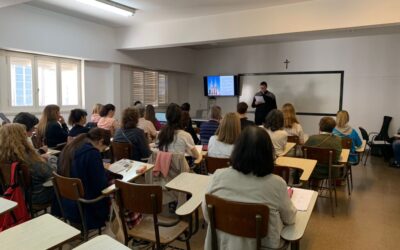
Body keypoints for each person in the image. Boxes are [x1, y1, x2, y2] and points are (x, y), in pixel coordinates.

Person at [202, 126, 296, 249]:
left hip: (224, 244)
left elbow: (206, 214)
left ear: (237, 150)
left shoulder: (218, 175)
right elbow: (290, 219)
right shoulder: (277, 184)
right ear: (268, 153)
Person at [57, 128, 110, 230]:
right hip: (85, 205)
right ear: (101, 141)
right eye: (103, 149)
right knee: (117, 187)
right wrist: (105, 173)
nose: (101, 152)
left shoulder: (71, 147)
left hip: (66, 202)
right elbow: (100, 185)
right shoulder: (92, 153)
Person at [0, 123, 54, 205]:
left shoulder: (4, 159)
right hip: (36, 196)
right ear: (22, 137)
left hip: (14, 197)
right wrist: (51, 159)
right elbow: (51, 174)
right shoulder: (28, 158)